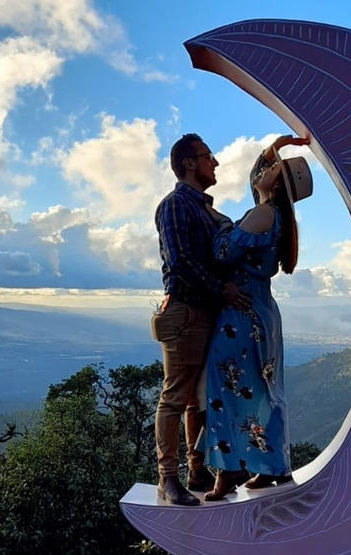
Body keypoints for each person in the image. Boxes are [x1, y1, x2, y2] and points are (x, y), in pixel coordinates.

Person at [199, 134, 312, 501]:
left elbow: (222, 252)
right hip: (262, 313)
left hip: (241, 313)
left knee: (227, 389)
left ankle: (228, 469)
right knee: (263, 391)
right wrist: (275, 147)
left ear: (276, 183)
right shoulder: (273, 214)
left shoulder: (263, 214)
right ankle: (268, 468)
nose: (264, 170)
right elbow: (254, 176)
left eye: (271, 169)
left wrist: (221, 225)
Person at [151, 133, 250, 506]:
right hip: (186, 310)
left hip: (203, 311)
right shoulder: (176, 205)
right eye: (209, 156)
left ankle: (195, 470)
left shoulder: (204, 209)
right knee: (175, 396)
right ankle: (167, 479)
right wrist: (221, 289)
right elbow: (180, 262)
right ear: (189, 163)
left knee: (198, 399)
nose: (216, 163)